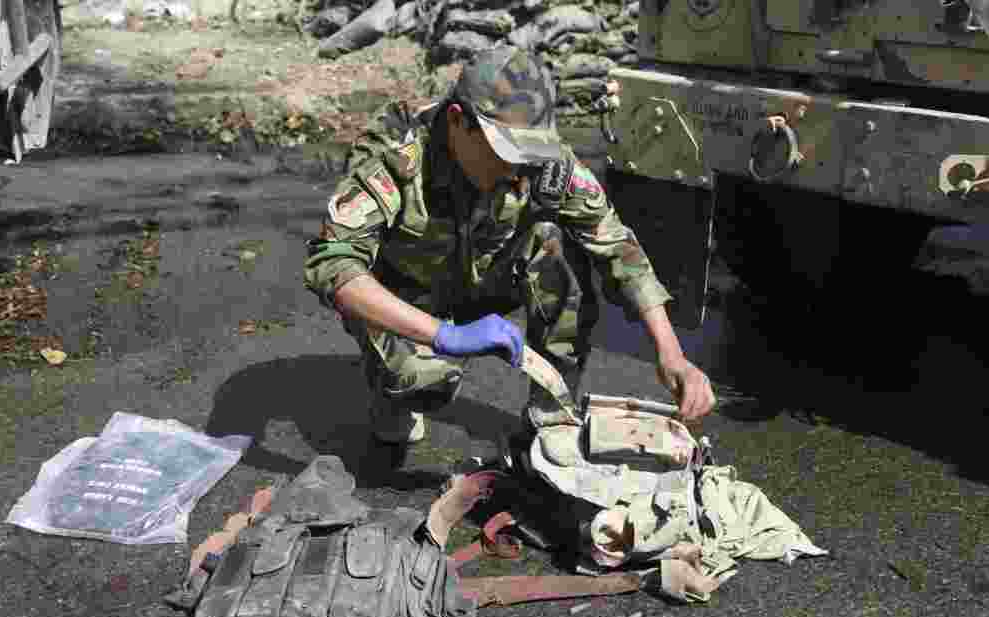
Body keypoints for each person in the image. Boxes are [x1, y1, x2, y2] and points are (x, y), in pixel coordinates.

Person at [303, 46, 715, 462]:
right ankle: (397, 390)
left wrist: (672, 354)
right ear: (458, 122)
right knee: (418, 386)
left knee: (559, 248)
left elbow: (614, 242)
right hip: (410, 296)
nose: (519, 170)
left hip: (488, 278)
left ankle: (551, 413)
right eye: (507, 152)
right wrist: (445, 335)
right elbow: (333, 263)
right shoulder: (397, 157)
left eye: (528, 153)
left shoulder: (539, 161)